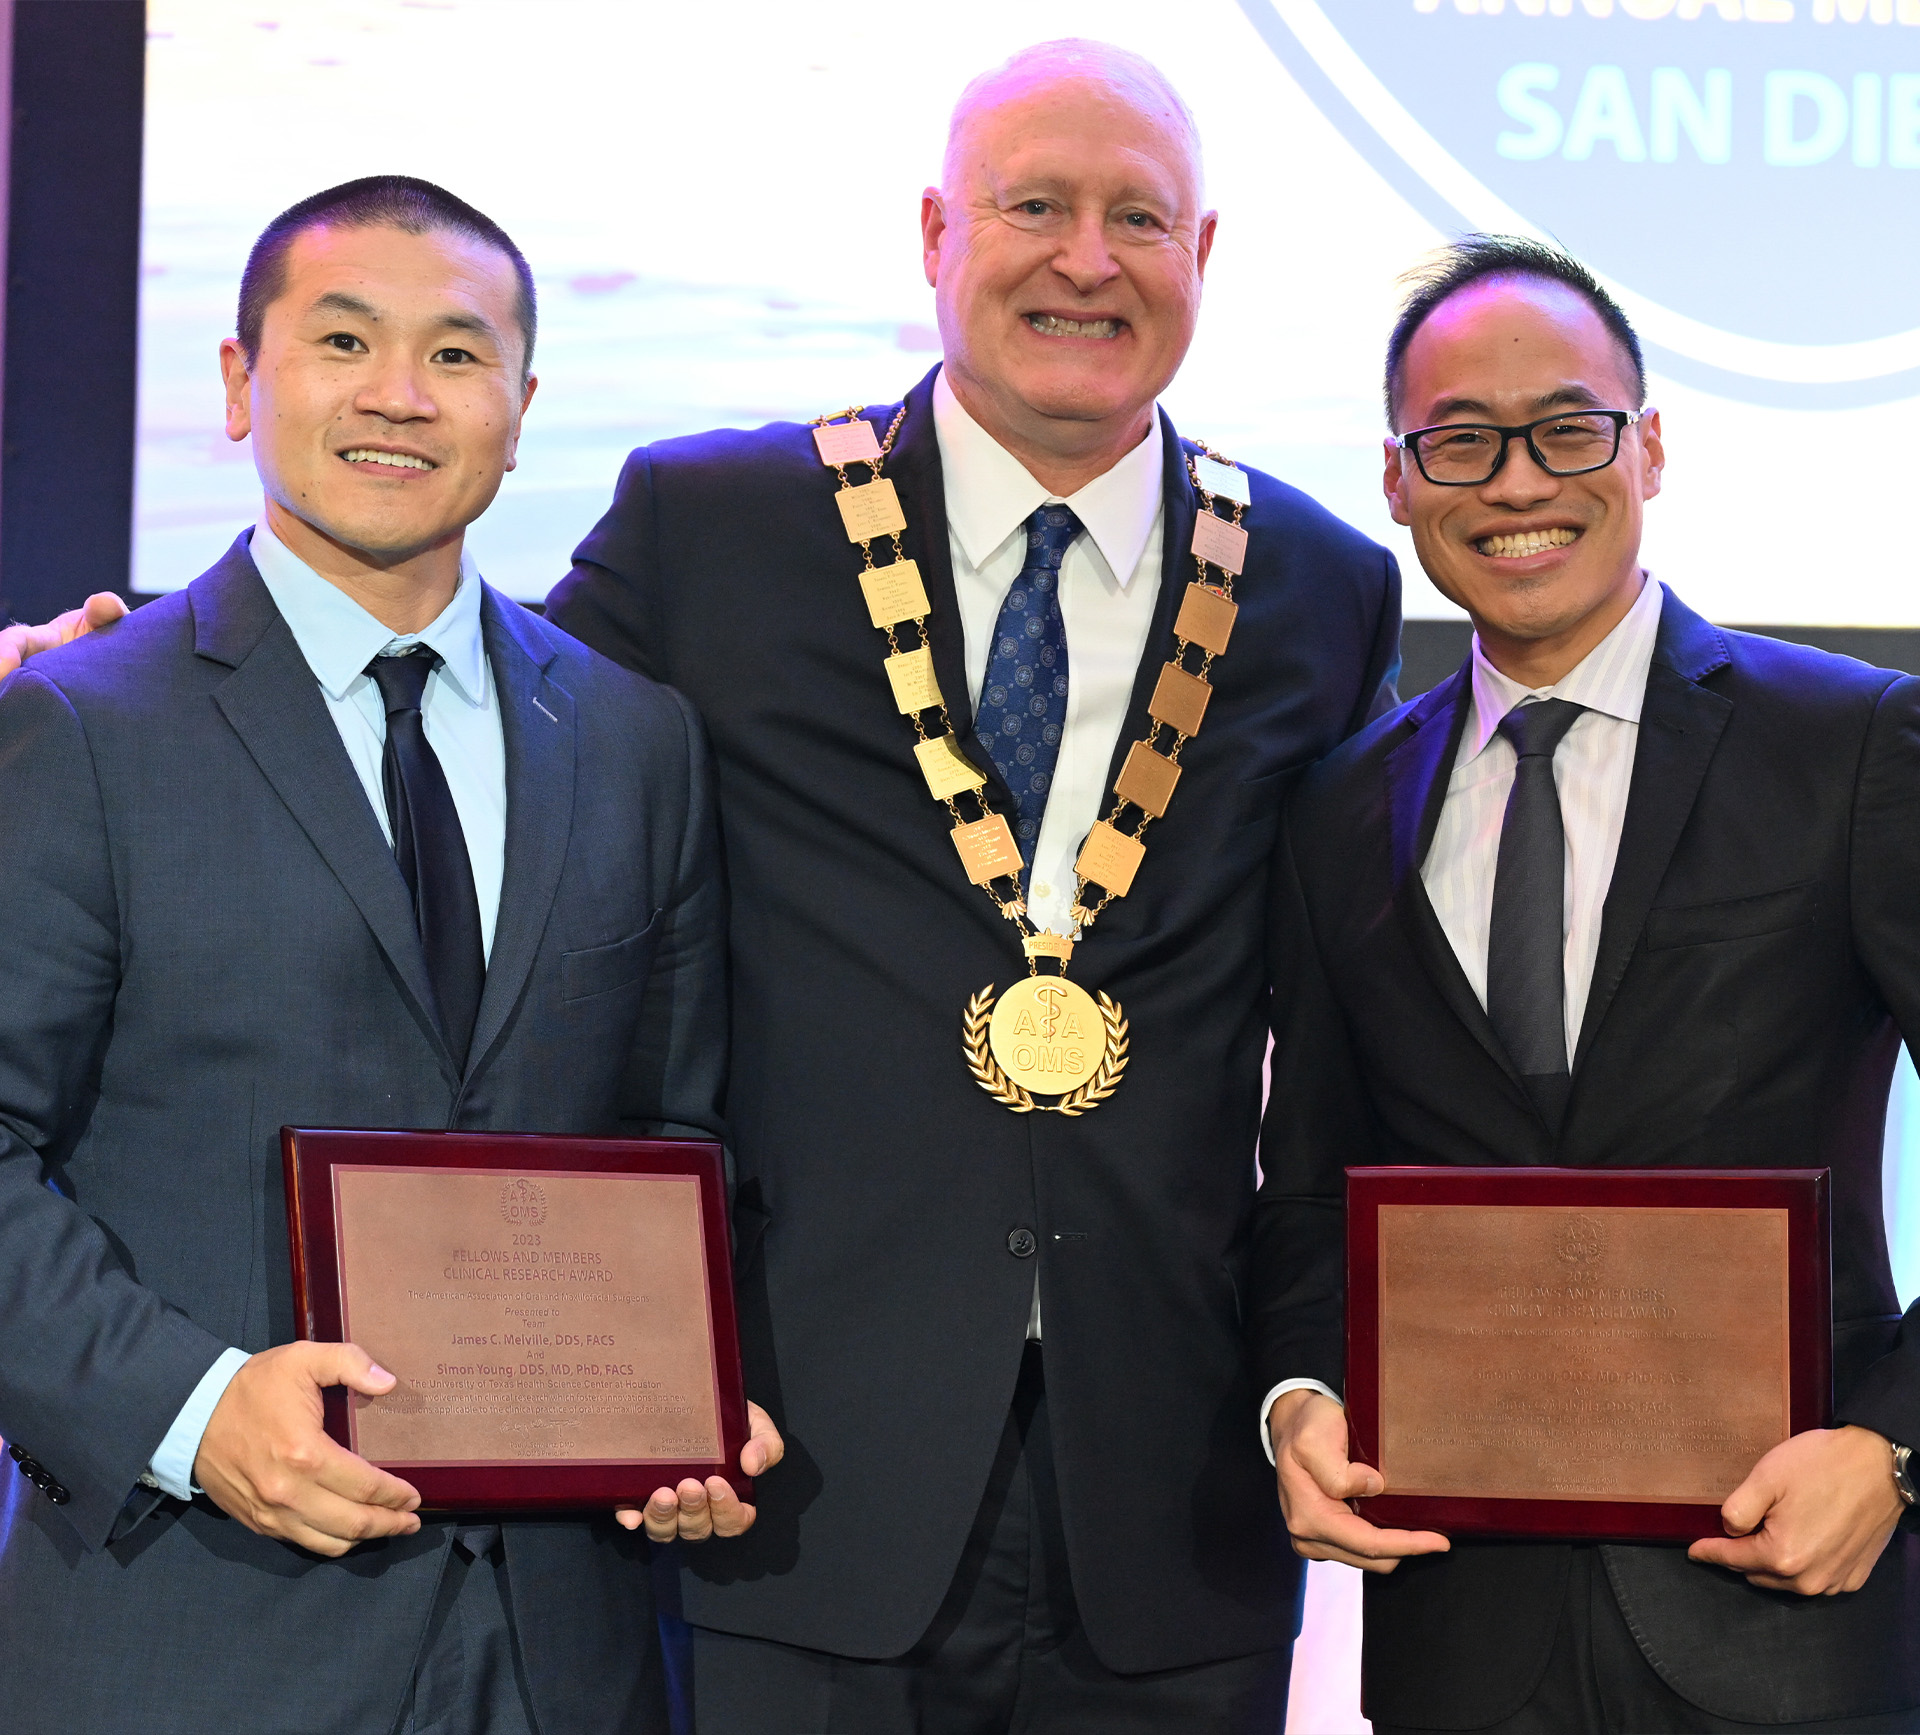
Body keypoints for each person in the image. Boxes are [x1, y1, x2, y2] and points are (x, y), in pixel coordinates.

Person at [544, 38, 1400, 1734]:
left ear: (1202, 256)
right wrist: (125, 670)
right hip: (786, 1484)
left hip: (1176, 1511)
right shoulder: (715, 526)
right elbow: (478, 745)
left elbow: (1355, 1037)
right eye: (1034, 207)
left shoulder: (1321, 584)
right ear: (937, 232)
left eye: (1138, 219)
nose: (1088, 259)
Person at [0, 175, 780, 1735]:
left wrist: (681, 1398)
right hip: (190, 1629)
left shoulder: (635, 742)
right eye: (344, 340)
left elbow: (670, 1130)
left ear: (523, 408)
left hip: (561, 1651)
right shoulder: (83, 725)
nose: (399, 396)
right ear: (241, 382)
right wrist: (191, 1410)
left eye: (457, 353)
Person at [1255, 234, 1920, 1734]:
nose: (1517, 482)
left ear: (1650, 449)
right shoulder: (1337, 812)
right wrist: (1298, 1401)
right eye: (1460, 441)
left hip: (1790, 1617)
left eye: (1568, 428)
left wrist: (1893, 1451)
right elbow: (1308, 1189)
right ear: (1396, 479)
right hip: (1458, 1635)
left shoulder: (1851, 748)